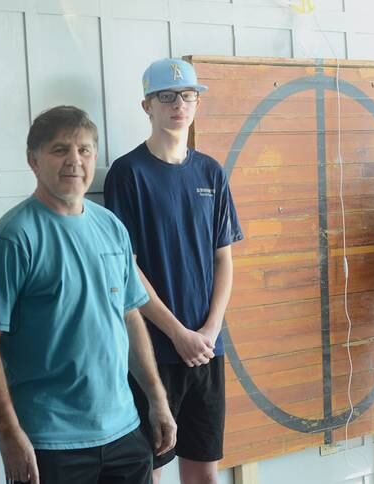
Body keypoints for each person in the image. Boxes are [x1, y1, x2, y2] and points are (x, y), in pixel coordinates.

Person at [0, 106, 176, 484]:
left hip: (125, 432)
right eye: (60, 150)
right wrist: (9, 434)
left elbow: (129, 315)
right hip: (50, 441)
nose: (74, 161)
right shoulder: (10, 241)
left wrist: (157, 400)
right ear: (33, 161)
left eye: (84, 150)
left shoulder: (111, 227)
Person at [104, 58, 243, 484]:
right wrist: (178, 334)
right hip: (153, 353)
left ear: (196, 102)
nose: (178, 105)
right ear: (147, 105)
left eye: (187, 96)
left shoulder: (210, 172)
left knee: (204, 471)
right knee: (150, 469)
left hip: (206, 349)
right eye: (167, 97)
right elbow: (126, 269)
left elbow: (224, 258)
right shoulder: (128, 174)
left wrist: (209, 330)